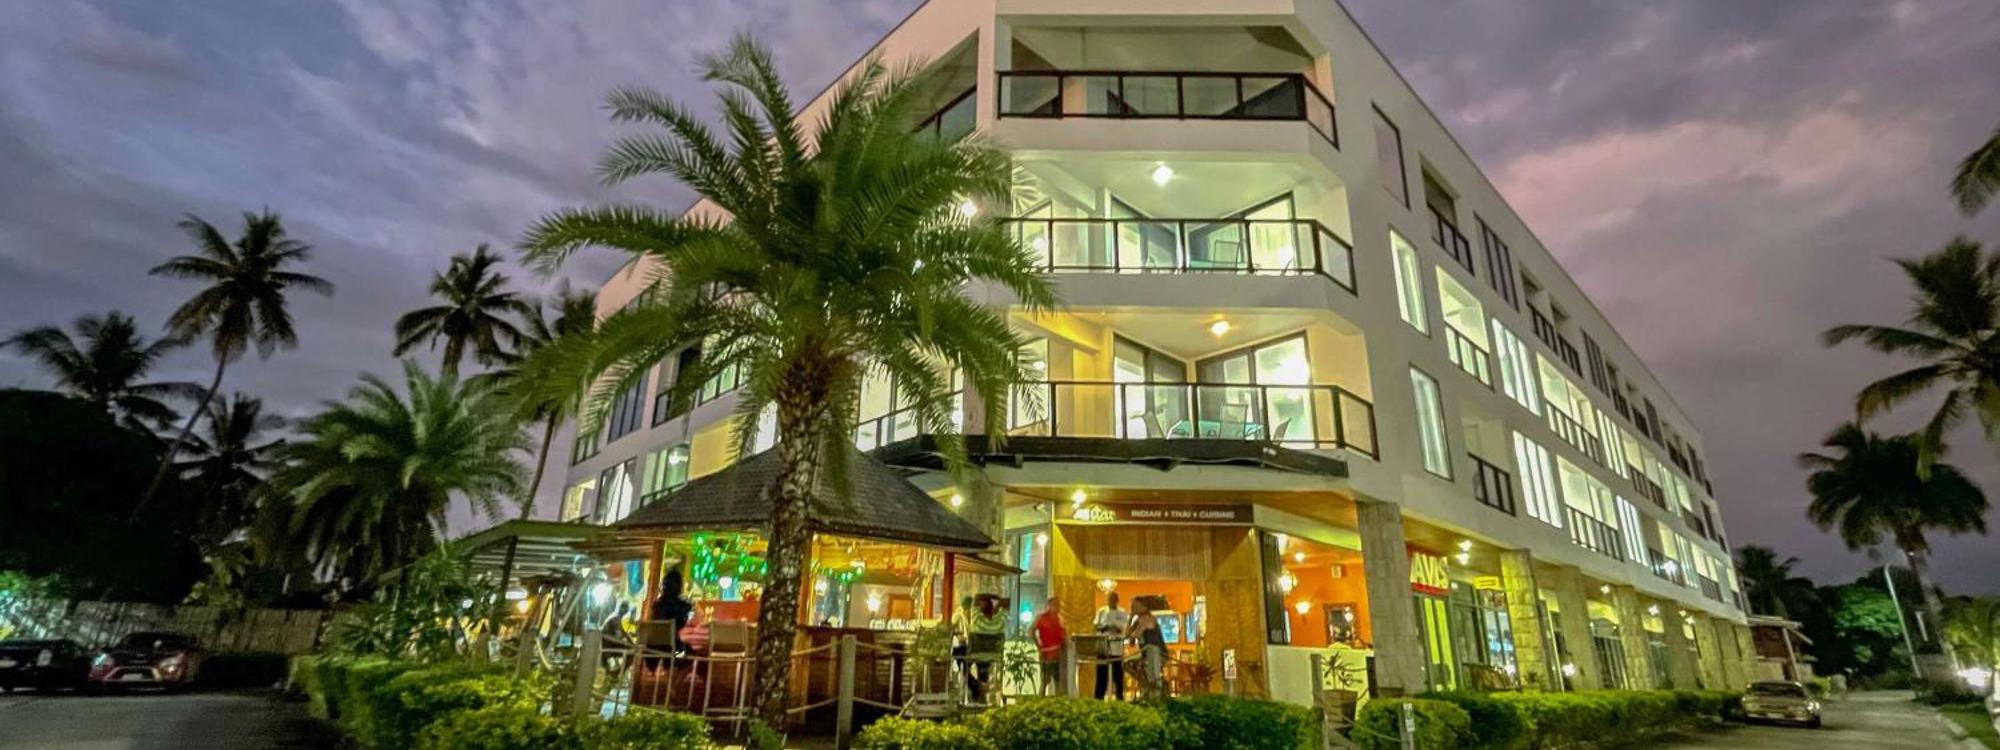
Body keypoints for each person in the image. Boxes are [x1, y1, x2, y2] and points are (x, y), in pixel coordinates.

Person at [965, 595, 1006, 704]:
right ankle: (981, 691)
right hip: (993, 655)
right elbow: (1006, 602)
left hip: (976, 654)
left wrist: (992, 596)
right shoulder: (999, 621)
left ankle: (977, 690)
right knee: (983, 669)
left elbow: (976, 598)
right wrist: (998, 601)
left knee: (962, 666)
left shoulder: (976, 619)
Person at [1092, 592, 1129, 700]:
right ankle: (1099, 698)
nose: (1112, 601)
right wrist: (1106, 628)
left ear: (1117, 600)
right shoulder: (1101, 611)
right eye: (1110, 599)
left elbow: (1124, 628)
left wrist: (1116, 628)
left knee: (1118, 673)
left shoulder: (1122, 612)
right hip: (1103, 645)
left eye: (1114, 599)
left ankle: (1119, 697)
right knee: (1101, 673)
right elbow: (1096, 625)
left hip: (1116, 646)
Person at [1128, 597, 1166, 700]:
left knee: (1153, 673)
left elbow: (1136, 634)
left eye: (1135, 606)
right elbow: (1128, 635)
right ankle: (1145, 684)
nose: (1133, 608)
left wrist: (1132, 635)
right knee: (1128, 664)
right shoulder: (1137, 621)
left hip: (1156, 653)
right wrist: (1130, 618)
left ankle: (1154, 693)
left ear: (1143, 607)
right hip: (1145, 653)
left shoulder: (1148, 619)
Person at [1032, 599, 1068, 695]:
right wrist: (1038, 647)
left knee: (1059, 681)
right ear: (1049, 606)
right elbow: (1031, 631)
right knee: (1044, 681)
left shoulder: (1060, 619)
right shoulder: (1041, 618)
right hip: (1047, 654)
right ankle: (1041, 699)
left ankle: (1057, 700)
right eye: (1054, 605)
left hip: (1059, 654)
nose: (1057, 607)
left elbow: (1064, 635)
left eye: (1058, 605)